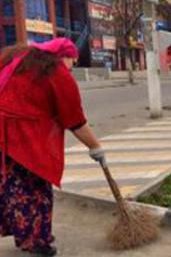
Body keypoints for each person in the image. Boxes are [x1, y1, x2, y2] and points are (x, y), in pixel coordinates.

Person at [0, 38, 106, 256]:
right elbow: (75, 119)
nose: (71, 67)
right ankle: (37, 242)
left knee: (10, 188)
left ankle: (28, 236)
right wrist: (96, 147)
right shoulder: (55, 71)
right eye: (72, 62)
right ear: (64, 56)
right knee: (35, 191)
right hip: (23, 140)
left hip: (4, 139)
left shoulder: (18, 58)